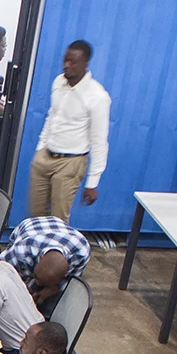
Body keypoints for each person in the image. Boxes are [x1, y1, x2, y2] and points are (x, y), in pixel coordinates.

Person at [31, 40, 110, 220]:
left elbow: (99, 141)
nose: (66, 65)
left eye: (73, 62)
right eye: (65, 60)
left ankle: (56, 248)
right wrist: (40, 148)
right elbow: (52, 116)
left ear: (85, 64)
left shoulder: (97, 96)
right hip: (45, 157)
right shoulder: (59, 82)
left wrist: (92, 182)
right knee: (35, 217)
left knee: (58, 220)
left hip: (70, 163)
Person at [2, 213, 91, 319]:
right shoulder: (21, 252)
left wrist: (53, 289)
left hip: (61, 233)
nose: (37, 282)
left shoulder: (81, 253)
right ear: (40, 258)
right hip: (31, 226)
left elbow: (70, 284)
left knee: (53, 305)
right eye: (36, 276)